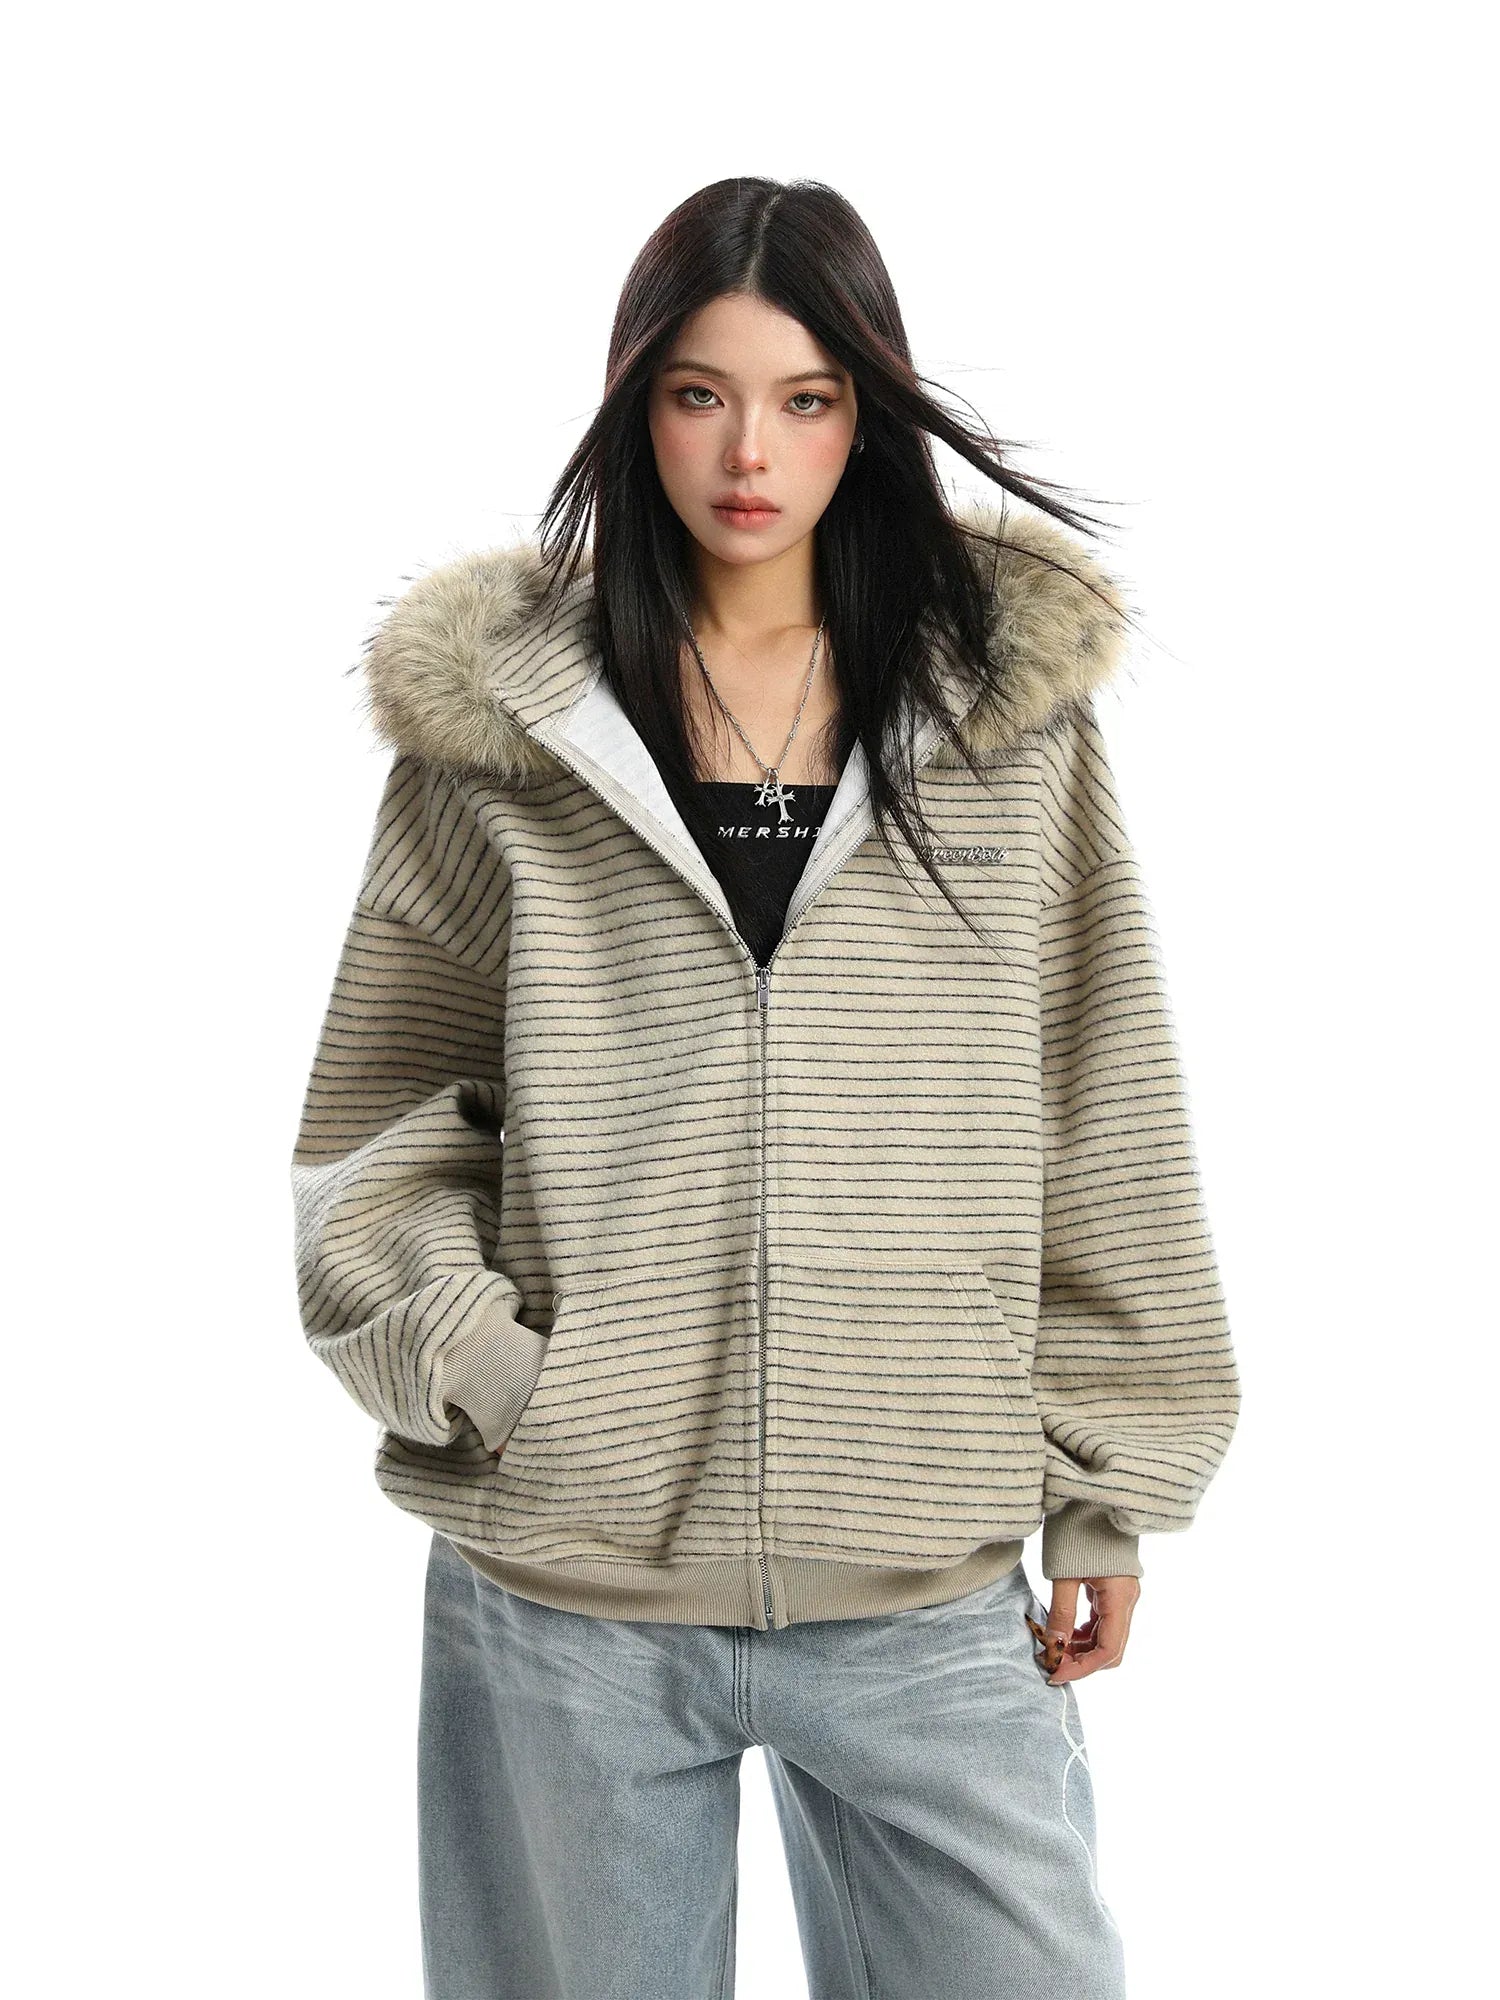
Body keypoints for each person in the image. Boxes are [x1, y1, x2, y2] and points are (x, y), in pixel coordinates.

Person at [290, 176, 1240, 2000]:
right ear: (634, 407)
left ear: (865, 416)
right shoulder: (509, 726)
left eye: (806, 400)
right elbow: (383, 1117)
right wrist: (502, 1379)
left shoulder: (1000, 713)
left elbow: (1099, 1091)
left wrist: (1106, 1488)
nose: (750, 453)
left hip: (925, 1579)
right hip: (569, 1587)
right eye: (700, 395)